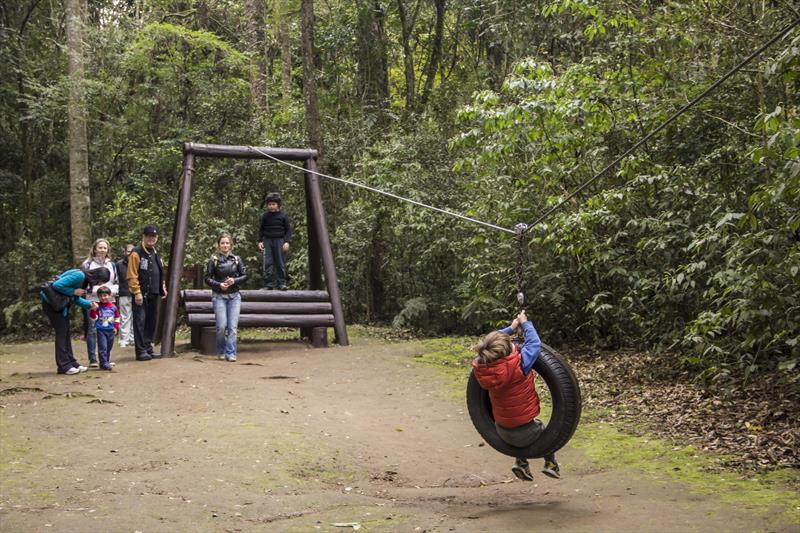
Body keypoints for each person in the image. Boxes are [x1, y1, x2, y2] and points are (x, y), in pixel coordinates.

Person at [471, 310, 561, 481]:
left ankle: (521, 463)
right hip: (526, 430)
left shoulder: (483, 365)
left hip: (501, 430)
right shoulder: (520, 365)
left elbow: (488, 344)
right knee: (542, 430)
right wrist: (525, 323)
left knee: (516, 431)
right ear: (510, 350)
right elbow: (534, 343)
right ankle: (550, 463)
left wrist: (511, 328)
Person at [40, 267, 110, 375]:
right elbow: (57, 285)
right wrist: (74, 291)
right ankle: (63, 366)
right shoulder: (80, 276)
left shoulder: (84, 281)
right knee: (61, 333)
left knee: (66, 332)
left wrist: (89, 304)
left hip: (61, 306)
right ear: (97, 276)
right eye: (100, 281)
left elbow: (74, 298)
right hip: (51, 303)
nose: (98, 284)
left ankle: (72, 363)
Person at [204, 232, 247, 361]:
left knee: (232, 327)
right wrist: (219, 285)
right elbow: (207, 278)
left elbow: (245, 275)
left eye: (227, 243)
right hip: (219, 296)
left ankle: (231, 353)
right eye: (222, 243)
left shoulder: (237, 259)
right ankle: (221, 351)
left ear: (231, 245)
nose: (225, 245)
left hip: (234, 296)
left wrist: (234, 281)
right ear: (218, 245)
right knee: (221, 327)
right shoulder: (214, 259)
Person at [127, 225, 167, 361]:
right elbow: (132, 274)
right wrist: (136, 292)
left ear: (157, 238)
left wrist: (163, 286)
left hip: (154, 293)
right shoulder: (136, 253)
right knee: (140, 321)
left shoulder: (156, 253)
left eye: (153, 236)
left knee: (151, 321)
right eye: (149, 236)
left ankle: (148, 348)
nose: (151, 238)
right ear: (144, 237)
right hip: (141, 293)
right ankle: (140, 351)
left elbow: (160, 272)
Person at [81, 238, 119, 367]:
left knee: (108, 329)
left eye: (104, 248)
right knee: (92, 329)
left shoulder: (112, 265)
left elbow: (117, 283)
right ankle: (93, 359)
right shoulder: (87, 264)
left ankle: (106, 359)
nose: (102, 250)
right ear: (95, 249)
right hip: (92, 301)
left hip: (109, 301)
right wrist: (97, 292)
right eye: (100, 247)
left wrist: (110, 293)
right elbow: (84, 285)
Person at [257, 192, 291, 290]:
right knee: (268, 263)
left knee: (280, 262)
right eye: (269, 204)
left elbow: (288, 230)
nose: (271, 206)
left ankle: (281, 283)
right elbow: (261, 229)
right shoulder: (265, 216)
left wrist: (287, 242)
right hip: (267, 240)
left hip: (280, 241)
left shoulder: (283, 216)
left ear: (278, 205)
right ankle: (268, 284)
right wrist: (259, 241)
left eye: (273, 204)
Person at [89, 286, 119, 370]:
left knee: (109, 347)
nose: (103, 298)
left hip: (111, 330)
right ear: (98, 297)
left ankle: (106, 362)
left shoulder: (113, 307)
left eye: (105, 295)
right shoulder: (97, 306)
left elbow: (117, 318)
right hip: (101, 330)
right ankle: (104, 363)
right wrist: (93, 310)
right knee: (103, 347)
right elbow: (93, 318)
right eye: (101, 296)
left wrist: (116, 327)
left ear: (109, 295)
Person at [115, 244, 135, 347]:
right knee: (125, 317)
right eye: (128, 251)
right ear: (125, 252)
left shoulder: (137, 263)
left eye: (132, 251)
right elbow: (116, 279)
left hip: (136, 293)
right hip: (124, 293)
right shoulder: (118, 264)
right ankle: (123, 340)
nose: (130, 253)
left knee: (135, 317)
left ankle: (132, 339)